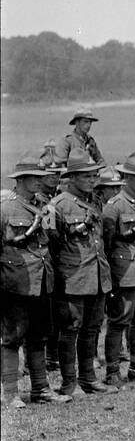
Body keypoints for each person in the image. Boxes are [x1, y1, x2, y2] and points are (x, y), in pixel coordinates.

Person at [46, 151, 116, 394]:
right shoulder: (57, 206)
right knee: (70, 329)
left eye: (94, 175)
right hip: (72, 277)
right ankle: (69, 383)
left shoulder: (95, 202)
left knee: (92, 328)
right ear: (72, 177)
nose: (91, 180)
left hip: (97, 276)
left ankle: (89, 378)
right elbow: (52, 245)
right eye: (85, 176)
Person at [1, 155, 68, 407]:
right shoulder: (6, 209)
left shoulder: (44, 206)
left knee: (39, 335)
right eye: (35, 178)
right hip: (15, 283)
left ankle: (41, 389)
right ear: (21, 180)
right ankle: (9, 394)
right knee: (12, 336)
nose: (40, 182)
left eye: (41, 178)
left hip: (41, 280)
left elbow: (52, 239)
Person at [101, 151, 135, 385]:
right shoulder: (114, 207)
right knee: (119, 320)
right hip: (125, 272)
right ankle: (113, 371)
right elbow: (107, 243)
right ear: (126, 178)